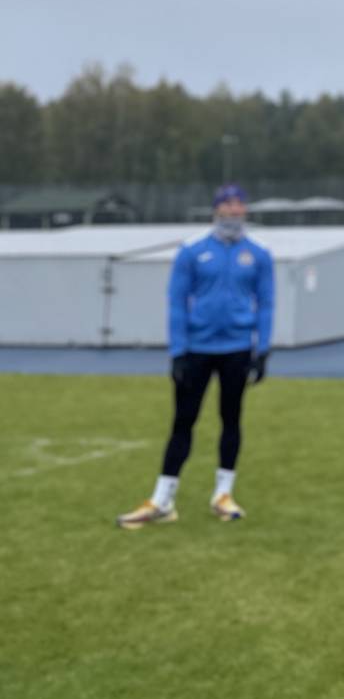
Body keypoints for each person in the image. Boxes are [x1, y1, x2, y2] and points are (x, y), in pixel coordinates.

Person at [116, 185, 273, 529]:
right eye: (227, 204)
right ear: (216, 210)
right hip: (197, 351)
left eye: (239, 204)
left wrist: (262, 350)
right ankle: (163, 499)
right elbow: (176, 302)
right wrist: (178, 351)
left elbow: (266, 303)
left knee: (231, 419)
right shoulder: (192, 251)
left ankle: (223, 494)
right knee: (183, 422)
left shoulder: (259, 254)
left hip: (236, 350)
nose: (234, 210)